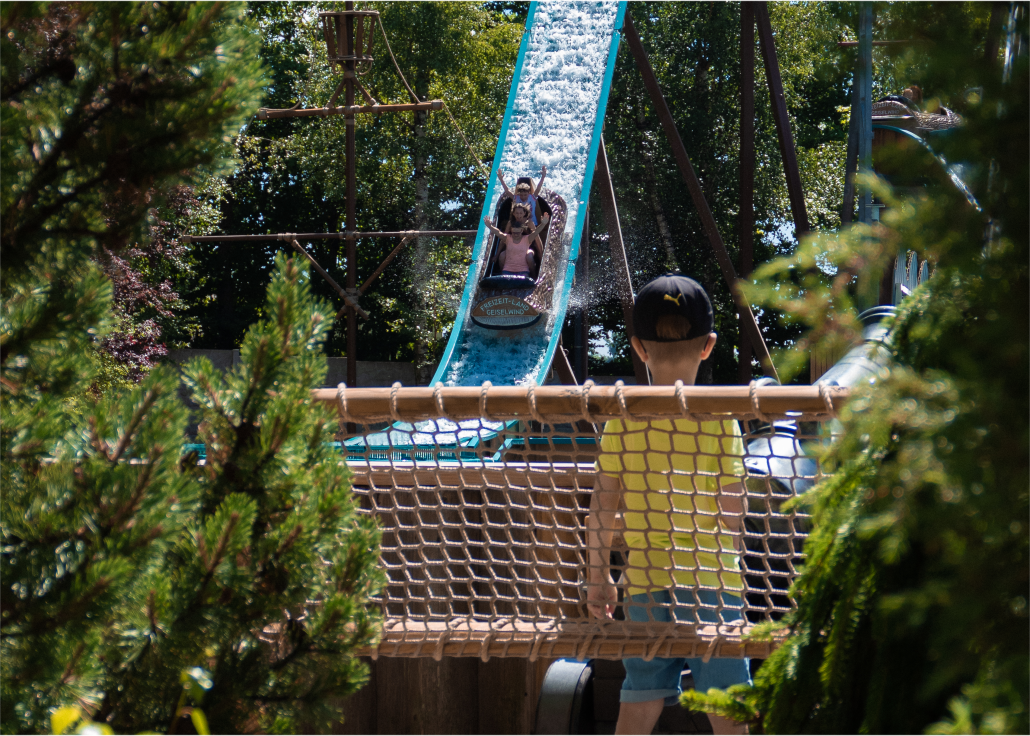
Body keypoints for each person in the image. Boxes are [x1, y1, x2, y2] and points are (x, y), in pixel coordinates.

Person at [585, 274, 751, 736]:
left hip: (644, 583)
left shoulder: (622, 420)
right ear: (709, 345)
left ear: (639, 347)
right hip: (712, 581)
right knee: (728, 711)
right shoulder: (722, 420)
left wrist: (598, 579)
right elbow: (731, 509)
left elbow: (601, 506)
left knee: (640, 702)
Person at [483, 211, 549, 276]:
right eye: (514, 233)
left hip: (523, 270)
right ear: (511, 231)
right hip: (508, 269)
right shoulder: (508, 238)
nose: (515, 235)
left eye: (517, 233)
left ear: (521, 231)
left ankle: (533, 275)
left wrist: (543, 224)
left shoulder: (527, 239)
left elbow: (536, 232)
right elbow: (498, 233)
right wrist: (490, 226)